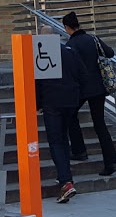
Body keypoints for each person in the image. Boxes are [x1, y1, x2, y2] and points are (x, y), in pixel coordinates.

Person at [60, 11, 116, 177]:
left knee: (70, 116)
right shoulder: (93, 39)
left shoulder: (71, 45)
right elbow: (110, 53)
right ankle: (111, 161)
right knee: (99, 125)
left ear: (66, 27)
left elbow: (70, 67)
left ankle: (79, 150)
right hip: (98, 88)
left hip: (80, 89)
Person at [34, 40, 83, 203]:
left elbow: (38, 80)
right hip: (70, 100)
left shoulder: (40, 53)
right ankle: (66, 177)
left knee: (56, 141)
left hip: (52, 101)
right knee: (63, 138)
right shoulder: (71, 50)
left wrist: (37, 104)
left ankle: (65, 182)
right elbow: (82, 72)